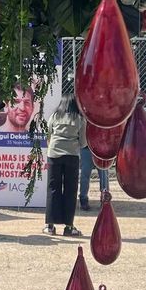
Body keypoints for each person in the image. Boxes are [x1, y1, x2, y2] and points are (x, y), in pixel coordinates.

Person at [44, 93, 86, 237]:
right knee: (70, 190)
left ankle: (50, 226)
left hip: (54, 154)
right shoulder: (80, 119)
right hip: (72, 155)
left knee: (52, 188)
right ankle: (69, 226)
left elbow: (47, 134)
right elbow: (83, 142)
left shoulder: (55, 116)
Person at [79, 143, 109, 211]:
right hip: (87, 147)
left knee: (103, 173)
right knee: (85, 174)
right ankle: (83, 200)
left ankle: (105, 199)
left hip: (101, 147)